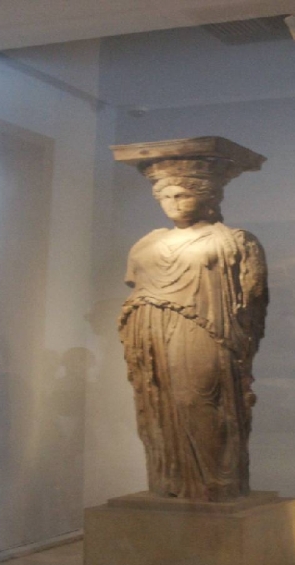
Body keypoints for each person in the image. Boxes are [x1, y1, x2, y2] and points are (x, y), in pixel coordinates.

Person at [118, 160, 268, 502]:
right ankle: (170, 478)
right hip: (149, 327)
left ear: (208, 196)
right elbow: (135, 284)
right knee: (158, 401)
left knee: (197, 398)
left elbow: (252, 296)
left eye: (182, 194)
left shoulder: (235, 240)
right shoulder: (148, 242)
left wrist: (244, 344)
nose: (172, 203)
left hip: (205, 327)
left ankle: (216, 478)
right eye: (165, 196)